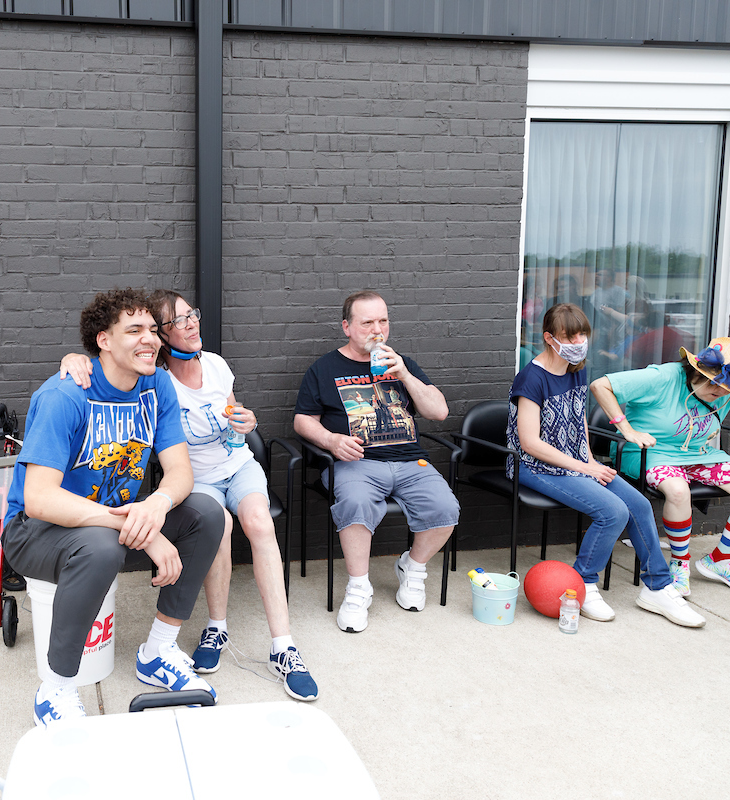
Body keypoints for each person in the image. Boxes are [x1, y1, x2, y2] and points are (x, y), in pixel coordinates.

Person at [59, 290, 318, 702]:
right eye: (180, 320)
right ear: (163, 335)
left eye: (192, 314)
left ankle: (283, 647)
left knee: (258, 521)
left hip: (237, 465)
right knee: (219, 524)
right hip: (197, 479)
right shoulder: (153, 377)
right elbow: (104, 361)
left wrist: (246, 422)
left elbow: (235, 419)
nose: (192, 323)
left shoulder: (214, 364)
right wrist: (73, 360)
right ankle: (216, 628)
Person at [3, 288, 224, 727]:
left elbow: (180, 472)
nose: (151, 339)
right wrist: (144, 528)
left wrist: (157, 506)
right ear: (103, 340)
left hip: (106, 523)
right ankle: (57, 690)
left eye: (152, 330)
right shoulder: (65, 395)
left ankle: (158, 650)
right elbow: (40, 498)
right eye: (134, 330)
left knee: (208, 513)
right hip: (35, 532)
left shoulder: (156, 384)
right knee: (102, 547)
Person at [508, 303, 704, 627]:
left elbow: (578, 418)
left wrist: (587, 457)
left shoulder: (577, 369)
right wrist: (585, 468)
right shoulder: (530, 379)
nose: (578, 342)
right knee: (613, 512)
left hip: (575, 461)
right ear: (549, 338)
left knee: (639, 505)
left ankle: (658, 586)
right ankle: (583, 582)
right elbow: (529, 443)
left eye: (582, 335)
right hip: (534, 466)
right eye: (570, 337)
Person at [293, 290, 459, 632]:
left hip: (411, 461)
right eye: (367, 322)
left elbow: (439, 412)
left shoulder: (402, 363)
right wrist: (331, 440)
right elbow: (302, 420)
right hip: (357, 462)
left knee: (446, 508)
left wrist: (405, 376)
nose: (377, 330)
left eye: (383, 321)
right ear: (347, 327)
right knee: (355, 503)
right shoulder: (324, 369)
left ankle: (412, 568)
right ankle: (358, 588)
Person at [592, 331, 730, 595]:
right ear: (697, 370)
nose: (721, 393)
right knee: (678, 490)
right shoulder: (663, 377)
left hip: (699, 454)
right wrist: (627, 430)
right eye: (714, 385)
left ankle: (722, 560)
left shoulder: (727, 388)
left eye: (728, 388)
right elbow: (600, 385)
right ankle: (679, 565)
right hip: (649, 452)